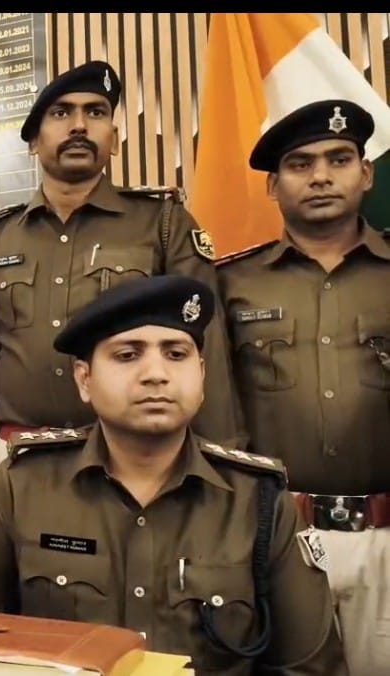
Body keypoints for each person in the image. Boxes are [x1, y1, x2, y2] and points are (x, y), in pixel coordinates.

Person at [0, 274, 347, 674]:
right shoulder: (22, 486)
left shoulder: (259, 502)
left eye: (176, 354)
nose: (156, 374)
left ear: (202, 374)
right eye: (127, 355)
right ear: (84, 379)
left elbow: (309, 669)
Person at [0, 60, 245, 550]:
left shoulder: (162, 223)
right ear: (34, 141)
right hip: (21, 465)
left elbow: (203, 358)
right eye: (61, 113)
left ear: (115, 138)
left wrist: (218, 480)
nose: (79, 125)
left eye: (96, 112)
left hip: (138, 464)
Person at [218, 99, 389, 676]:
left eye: (338, 159)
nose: (320, 176)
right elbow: (217, 412)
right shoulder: (230, 283)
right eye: (300, 164)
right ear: (273, 186)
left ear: (366, 173)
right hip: (276, 535)